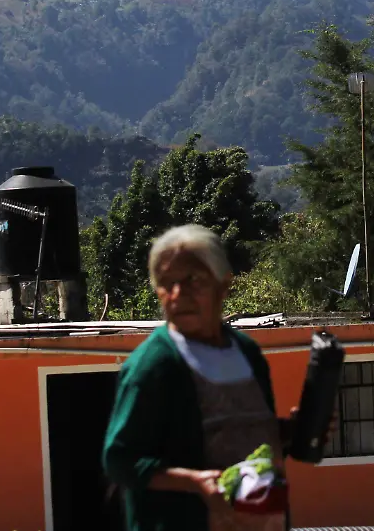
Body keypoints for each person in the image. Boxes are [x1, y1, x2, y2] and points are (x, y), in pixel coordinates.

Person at [102, 225, 321, 531]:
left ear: (224, 285)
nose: (178, 295)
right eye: (167, 283)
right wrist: (194, 482)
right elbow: (120, 460)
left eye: (193, 280)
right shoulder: (154, 366)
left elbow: (243, 437)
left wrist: (291, 431)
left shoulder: (247, 353)